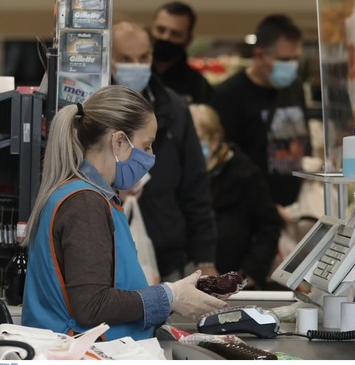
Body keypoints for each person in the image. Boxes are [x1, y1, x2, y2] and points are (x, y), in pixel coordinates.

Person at [21, 85, 228, 341]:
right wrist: (170, 295)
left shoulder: (93, 196)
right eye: (147, 145)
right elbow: (92, 306)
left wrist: (177, 295)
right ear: (119, 141)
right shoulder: (85, 203)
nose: (151, 156)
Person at [111, 21, 219, 281]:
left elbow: (195, 187)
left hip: (167, 252)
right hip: (109, 249)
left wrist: (205, 257)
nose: (136, 65)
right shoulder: (94, 107)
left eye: (143, 57)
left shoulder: (174, 108)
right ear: (110, 59)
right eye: (126, 58)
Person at [211, 14, 311, 213]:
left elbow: (304, 138)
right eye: (284, 60)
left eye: (295, 59)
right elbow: (226, 161)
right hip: (251, 214)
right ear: (259, 55)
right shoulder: (229, 95)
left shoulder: (294, 87)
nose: (291, 66)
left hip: (298, 208)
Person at [189, 103, 283, 290]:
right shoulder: (181, 173)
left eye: (194, 139)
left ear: (214, 140)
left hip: (234, 283)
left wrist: (247, 274)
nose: (188, 147)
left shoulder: (243, 173)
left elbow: (269, 225)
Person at [149, 1, 213, 104]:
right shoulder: (134, 73)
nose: (166, 37)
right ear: (152, 28)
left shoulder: (199, 86)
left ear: (188, 39)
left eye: (175, 34)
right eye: (160, 30)